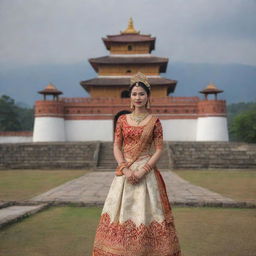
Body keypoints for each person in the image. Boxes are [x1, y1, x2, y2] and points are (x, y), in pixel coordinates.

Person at [92, 72, 182, 256]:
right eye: (134, 94)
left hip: (146, 176)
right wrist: (124, 168)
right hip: (125, 176)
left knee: (147, 215)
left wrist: (143, 170)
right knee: (120, 214)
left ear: (148, 96)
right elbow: (117, 146)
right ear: (130, 97)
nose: (138, 97)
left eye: (141, 94)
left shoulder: (154, 121)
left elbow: (158, 149)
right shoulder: (122, 120)